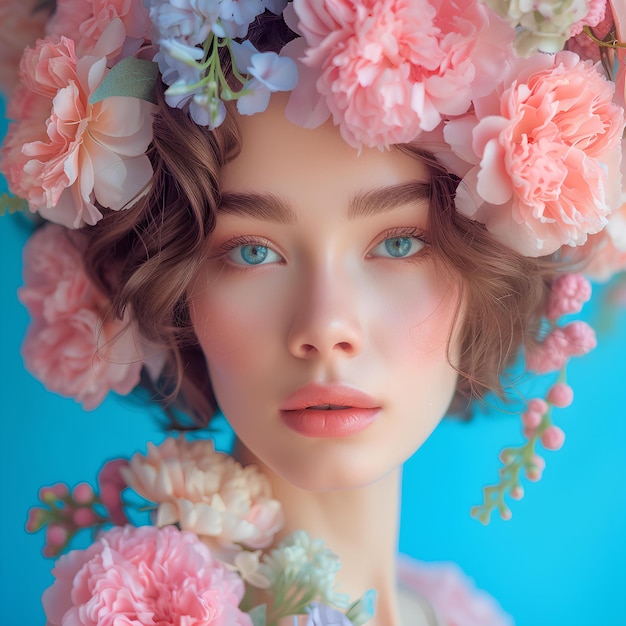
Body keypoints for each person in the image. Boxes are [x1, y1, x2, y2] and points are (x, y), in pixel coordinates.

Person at [1, 1, 626, 625]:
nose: (325, 327)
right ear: (175, 283)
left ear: (492, 261)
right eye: (252, 251)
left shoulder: (457, 611)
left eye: (399, 243)